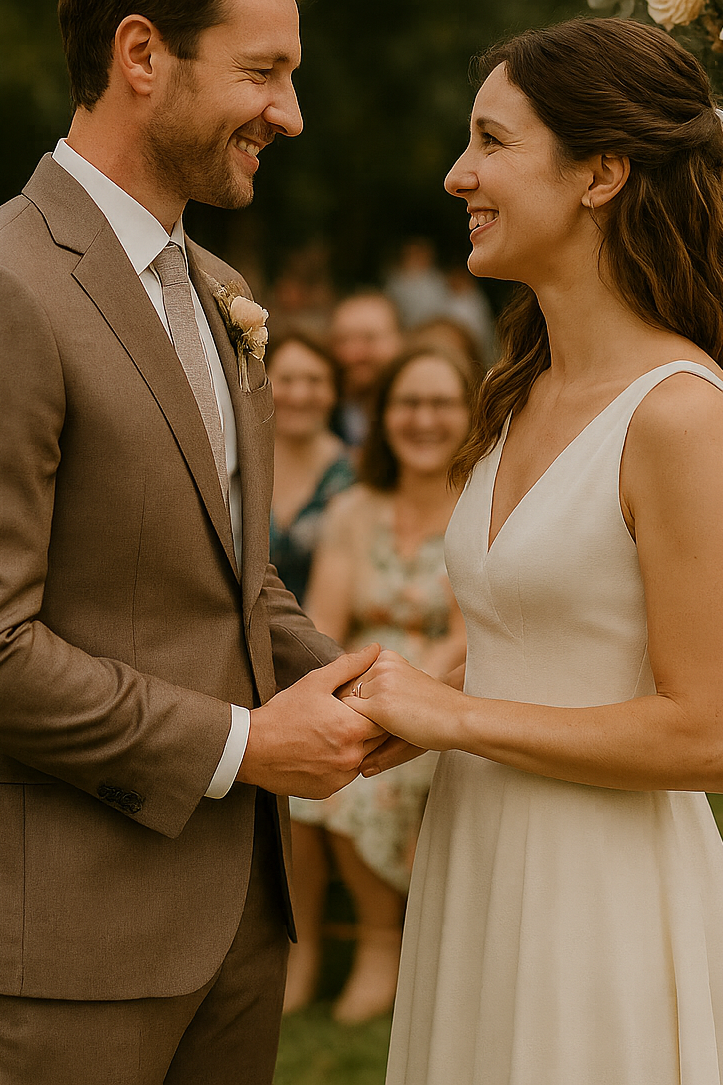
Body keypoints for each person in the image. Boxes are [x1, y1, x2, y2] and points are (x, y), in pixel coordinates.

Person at [0, 0, 387, 1085]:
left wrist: (364, 688)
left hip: (236, 919)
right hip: (59, 934)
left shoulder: (216, 288)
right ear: (141, 56)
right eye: (264, 73)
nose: (292, 114)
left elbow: (227, 575)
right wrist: (244, 745)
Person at [347, 19, 723, 1085]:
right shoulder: (525, 388)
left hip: (598, 897)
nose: (459, 174)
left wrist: (450, 715)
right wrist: (399, 697)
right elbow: (543, 630)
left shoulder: (680, 415)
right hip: (480, 858)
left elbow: (708, 735)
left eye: (492, 142)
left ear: (601, 173)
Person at [286, 346, 474, 1024]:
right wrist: (345, 693)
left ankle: (379, 941)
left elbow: (465, 636)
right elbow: (323, 624)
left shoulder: (482, 505)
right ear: (383, 415)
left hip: (443, 690)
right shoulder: (354, 509)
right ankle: (299, 948)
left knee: (365, 785)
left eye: (441, 403)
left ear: (470, 412)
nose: (423, 419)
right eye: (407, 403)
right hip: (354, 680)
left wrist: (399, 700)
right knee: (291, 776)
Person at [268, 331, 355, 606]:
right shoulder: (236, 467)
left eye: (314, 381)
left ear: (334, 391)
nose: (299, 394)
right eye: (286, 380)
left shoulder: (354, 476)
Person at [329, 290, 402, 449]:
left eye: (369, 339)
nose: (353, 354)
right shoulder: (321, 417)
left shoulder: (423, 416)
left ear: (400, 341)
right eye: (343, 340)